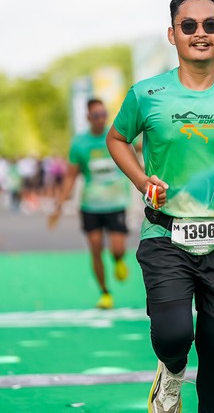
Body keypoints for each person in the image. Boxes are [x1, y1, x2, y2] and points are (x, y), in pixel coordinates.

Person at [106, 0, 214, 413]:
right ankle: (172, 370)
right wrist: (142, 181)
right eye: (189, 25)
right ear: (172, 34)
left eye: (210, 25)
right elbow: (117, 138)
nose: (200, 33)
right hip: (166, 234)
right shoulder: (146, 93)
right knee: (174, 335)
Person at [48, 98, 130, 310]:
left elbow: (137, 151)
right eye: (96, 115)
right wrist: (59, 206)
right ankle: (105, 293)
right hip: (90, 205)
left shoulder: (116, 135)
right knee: (95, 248)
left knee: (118, 249)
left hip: (116, 203)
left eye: (104, 114)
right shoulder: (79, 143)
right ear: (88, 117)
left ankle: (118, 260)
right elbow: (70, 176)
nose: (101, 119)